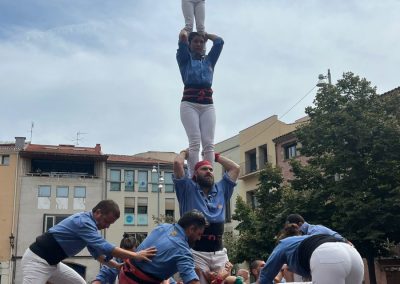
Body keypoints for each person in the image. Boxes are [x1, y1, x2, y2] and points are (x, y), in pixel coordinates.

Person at [21, 200, 156, 284]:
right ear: (98, 213)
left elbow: (98, 255)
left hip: (53, 264)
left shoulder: (90, 228)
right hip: (37, 262)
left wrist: (117, 266)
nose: (107, 226)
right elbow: (105, 247)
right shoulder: (83, 222)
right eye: (106, 222)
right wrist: (136, 255)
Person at [173, 150, 240, 284]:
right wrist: (186, 153)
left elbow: (235, 168)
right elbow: (177, 164)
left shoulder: (221, 188)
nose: (209, 171)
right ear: (195, 173)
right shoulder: (187, 188)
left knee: (226, 281)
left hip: (219, 251)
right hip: (196, 251)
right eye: (204, 169)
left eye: (211, 169)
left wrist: (215, 156)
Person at [176, 29, 224, 176]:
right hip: (189, 104)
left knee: (209, 143)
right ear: (190, 44)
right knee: (195, 141)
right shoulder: (184, 59)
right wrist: (187, 29)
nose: (198, 44)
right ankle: (194, 176)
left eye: (201, 42)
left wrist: (206, 34)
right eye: (195, 41)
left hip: (207, 104)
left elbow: (219, 42)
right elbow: (183, 37)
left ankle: (209, 174)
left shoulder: (209, 60)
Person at [118, 209, 207, 284]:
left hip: (124, 274)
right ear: (191, 229)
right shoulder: (182, 250)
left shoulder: (163, 227)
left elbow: (155, 264)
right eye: (199, 234)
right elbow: (192, 281)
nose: (199, 238)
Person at [258, 225, 364, 284]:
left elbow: (265, 277)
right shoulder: (307, 239)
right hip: (352, 253)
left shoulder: (283, 244)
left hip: (327, 254)